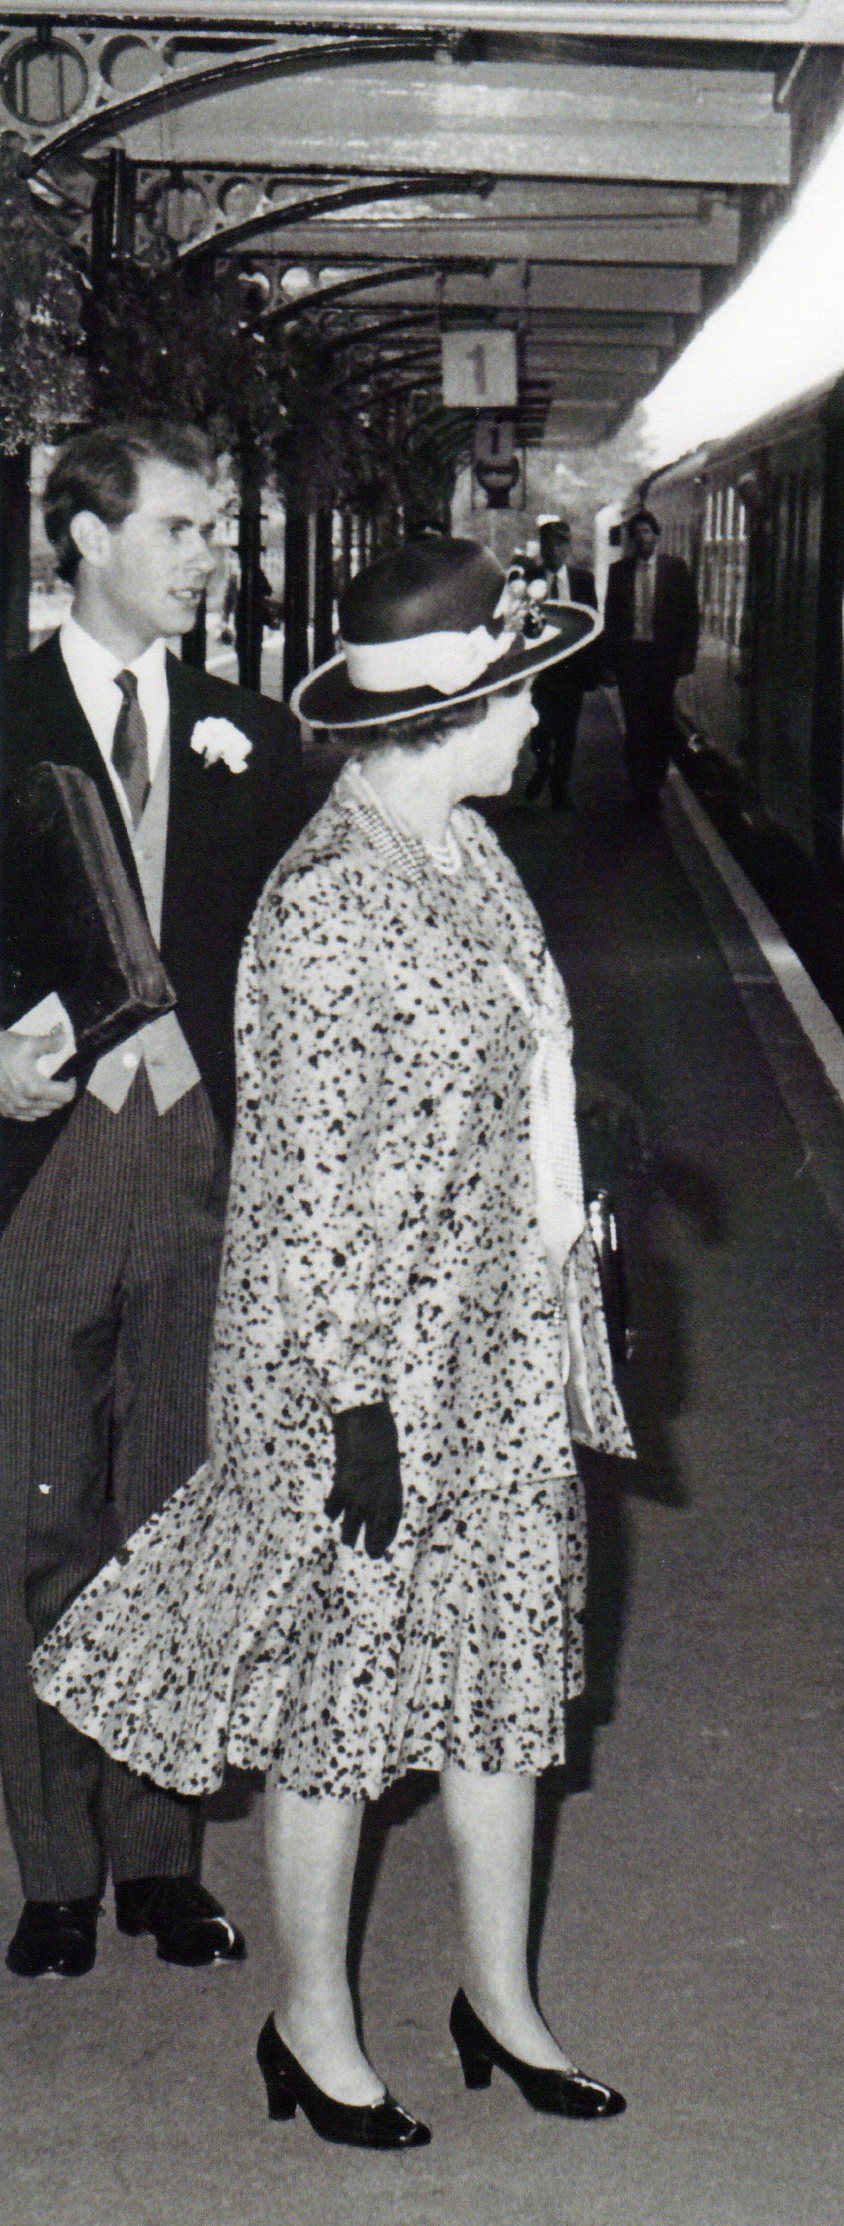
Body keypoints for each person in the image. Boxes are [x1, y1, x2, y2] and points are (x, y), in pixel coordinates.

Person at [34, 536, 630, 2151]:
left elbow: (514, 1061)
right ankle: (312, 2025)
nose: (538, 721)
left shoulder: (463, 854)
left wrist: (590, 1168)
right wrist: (357, 1402)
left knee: (506, 1677)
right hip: (357, 1372)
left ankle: (498, 2002)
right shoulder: (327, 900)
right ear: (448, 712)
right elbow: (304, 1178)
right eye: (516, 697)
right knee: (341, 1700)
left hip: (496, 1342)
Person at [0, 420, 307, 1981]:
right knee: (40, 1512)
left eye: (215, 529)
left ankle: (157, 1858)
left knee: (179, 1507)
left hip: (204, 1165)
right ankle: (52, 1869)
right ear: (87, 536)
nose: (213, 558)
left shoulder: (252, 736)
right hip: (45, 1168)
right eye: (185, 529)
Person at [602, 506, 698, 810]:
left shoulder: (676, 569)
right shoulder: (619, 573)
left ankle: (655, 781)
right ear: (631, 540)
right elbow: (611, 620)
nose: (643, 539)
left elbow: (690, 616)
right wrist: (610, 663)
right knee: (635, 722)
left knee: (659, 722)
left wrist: (687, 655)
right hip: (632, 657)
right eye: (637, 534)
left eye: (647, 532)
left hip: (662, 659)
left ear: (657, 536)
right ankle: (640, 785)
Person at [523, 515, 602, 808]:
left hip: (572, 669)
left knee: (567, 731)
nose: (555, 550)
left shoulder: (583, 581)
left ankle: (560, 785)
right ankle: (542, 766)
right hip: (540, 668)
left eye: (560, 544)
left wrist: (595, 668)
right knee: (539, 727)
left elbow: (592, 623)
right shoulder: (529, 579)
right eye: (549, 544)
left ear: (568, 548)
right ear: (541, 548)